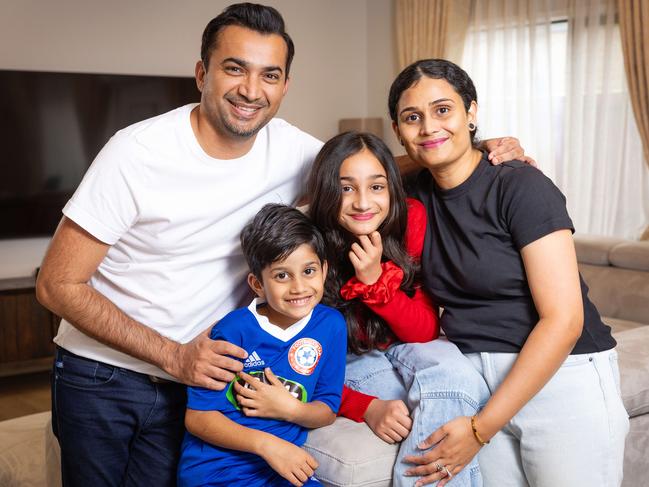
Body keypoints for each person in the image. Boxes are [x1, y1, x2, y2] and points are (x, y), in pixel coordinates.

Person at [34, 2, 529, 484]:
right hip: (106, 375)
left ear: (285, 85)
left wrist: (474, 146)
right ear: (202, 73)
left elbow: (365, 170)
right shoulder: (135, 152)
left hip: (203, 378)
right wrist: (172, 356)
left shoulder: (291, 149)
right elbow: (57, 285)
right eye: (235, 69)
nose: (252, 90)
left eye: (270, 75)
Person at [387, 58, 629, 487]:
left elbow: (565, 321)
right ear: (398, 130)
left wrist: (480, 429)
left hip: (562, 376)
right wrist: (438, 150)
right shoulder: (413, 193)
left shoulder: (520, 185)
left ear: (472, 113)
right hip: (478, 380)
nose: (428, 127)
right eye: (412, 118)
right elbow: (350, 167)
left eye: (444, 110)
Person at [306, 131, 490, 486]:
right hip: (348, 358)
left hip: (405, 342)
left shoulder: (410, 220)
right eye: (346, 188)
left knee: (461, 379)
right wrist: (367, 407)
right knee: (425, 406)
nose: (363, 202)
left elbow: (424, 332)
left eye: (376, 187)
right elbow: (294, 362)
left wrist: (376, 282)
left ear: (391, 189)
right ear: (327, 191)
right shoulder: (308, 246)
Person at [177, 204, 347, 487]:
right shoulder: (233, 331)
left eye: (308, 271)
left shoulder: (331, 326)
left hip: (281, 471)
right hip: (217, 473)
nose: (299, 287)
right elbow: (198, 418)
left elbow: (327, 410)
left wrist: (289, 410)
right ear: (257, 284)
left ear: (324, 269)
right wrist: (269, 446)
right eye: (282, 275)